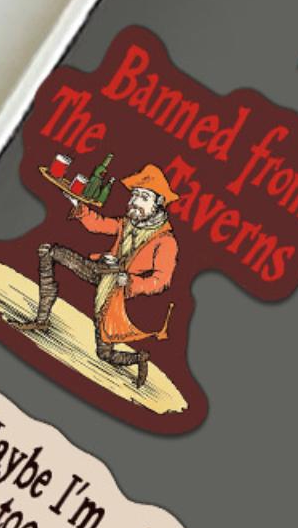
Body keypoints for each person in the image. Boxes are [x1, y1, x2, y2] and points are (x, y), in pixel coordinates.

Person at [11, 165, 179, 389]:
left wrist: (130, 282)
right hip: (100, 269)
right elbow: (99, 224)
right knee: (49, 252)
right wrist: (78, 205)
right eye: (135, 195)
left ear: (159, 203)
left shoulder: (166, 241)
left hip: (116, 290)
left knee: (104, 354)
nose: (135, 201)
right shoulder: (127, 222)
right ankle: (42, 320)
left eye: (144, 197)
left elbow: (161, 280)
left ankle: (140, 358)